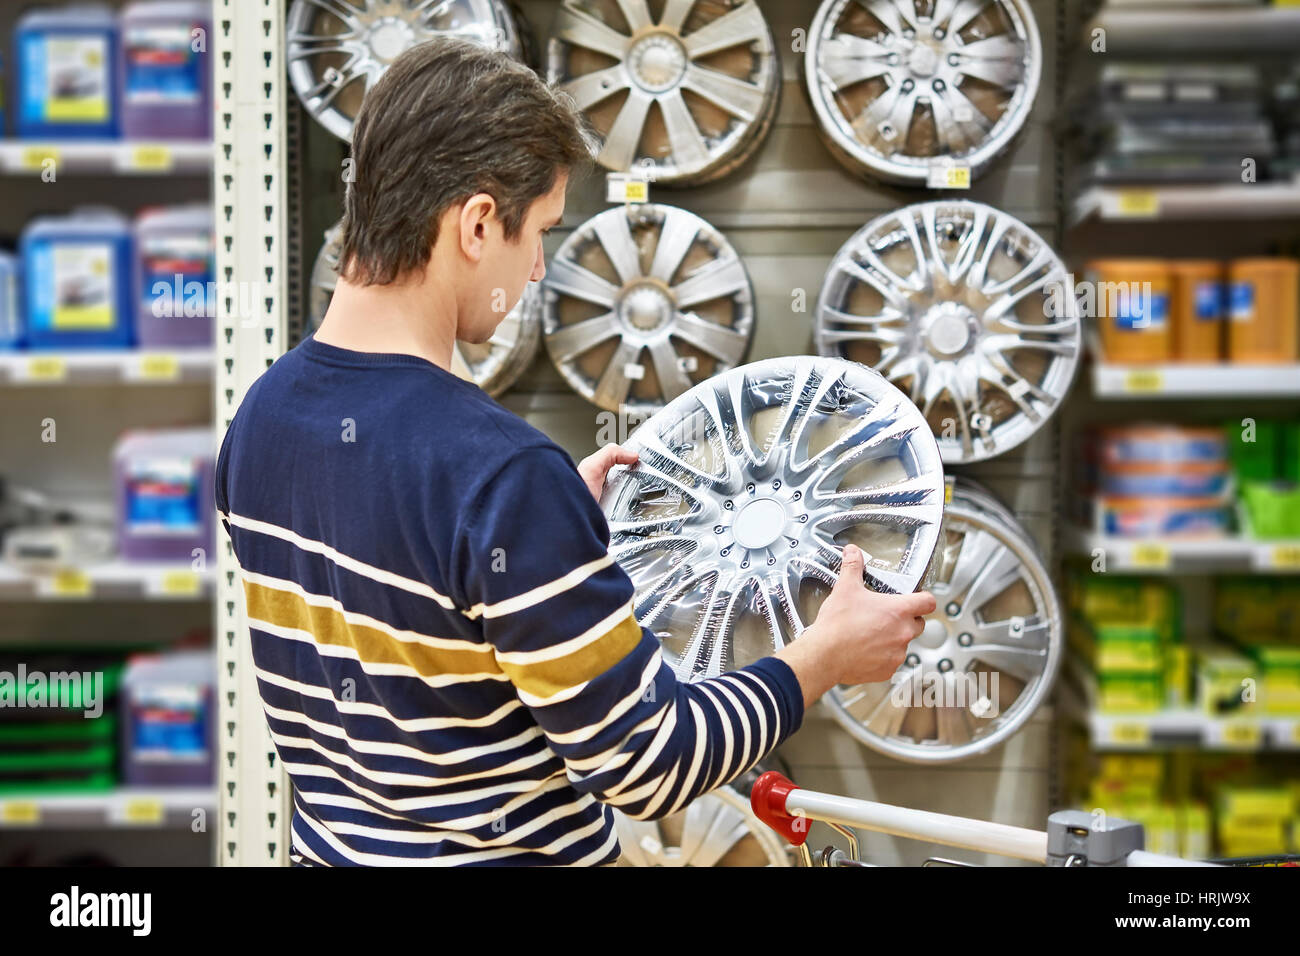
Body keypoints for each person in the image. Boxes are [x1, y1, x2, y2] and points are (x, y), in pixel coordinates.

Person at [215, 38, 936, 866]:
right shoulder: (499, 473)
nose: (537, 271)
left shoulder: (262, 420)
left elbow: (395, 658)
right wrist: (819, 660)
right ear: (478, 224)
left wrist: (530, 566)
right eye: (542, 233)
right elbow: (649, 767)